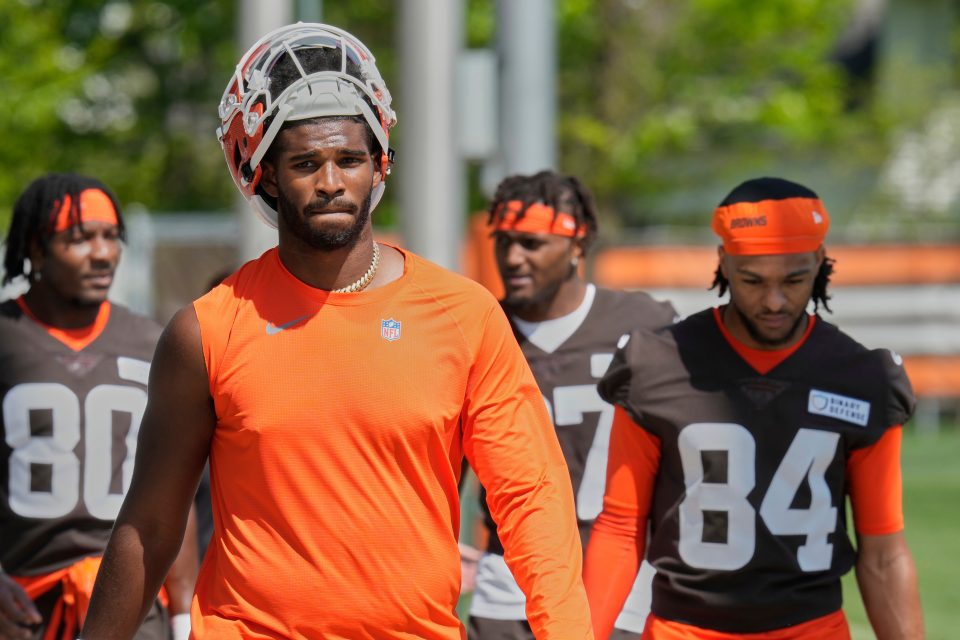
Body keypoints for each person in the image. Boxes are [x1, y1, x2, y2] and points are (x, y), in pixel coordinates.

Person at [81, 23, 593, 639]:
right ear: (265, 175)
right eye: (305, 163)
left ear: (380, 165)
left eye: (349, 159)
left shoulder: (465, 314)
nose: (331, 182)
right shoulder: (207, 327)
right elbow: (152, 524)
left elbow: (531, 497)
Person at [583, 177, 924, 639]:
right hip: (684, 631)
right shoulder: (656, 365)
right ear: (723, 263)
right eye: (752, 280)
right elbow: (622, 526)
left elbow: (883, 551)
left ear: (820, 262)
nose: (774, 301)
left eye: (795, 279)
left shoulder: (863, 379)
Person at [464, 171, 677, 640]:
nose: (513, 258)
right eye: (503, 242)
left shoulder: (647, 324)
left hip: (620, 585)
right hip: (511, 586)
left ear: (577, 245)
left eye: (531, 243)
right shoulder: (476, 326)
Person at [0, 173, 198, 640]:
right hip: (22, 607)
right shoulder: (6, 339)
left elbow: (178, 492)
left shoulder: (156, 341)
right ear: (37, 248)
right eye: (79, 239)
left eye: (111, 237)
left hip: (134, 607)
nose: (103, 253)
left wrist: (184, 613)